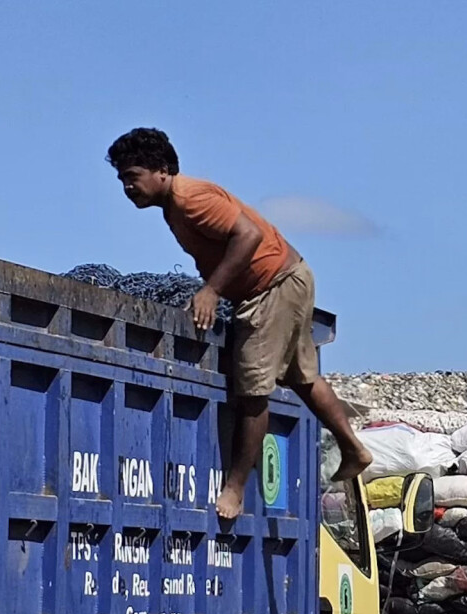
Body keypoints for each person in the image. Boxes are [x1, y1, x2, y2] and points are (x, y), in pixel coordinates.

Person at [106, 127, 371, 518]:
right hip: (289, 278)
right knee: (302, 376)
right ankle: (353, 446)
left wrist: (211, 291)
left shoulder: (190, 199)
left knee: (252, 390)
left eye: (133, 176)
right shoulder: (172, 208)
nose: (127, 187)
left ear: (161, 170)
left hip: (272, 287)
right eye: (122, 180)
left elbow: (246, 235)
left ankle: (235, 488)